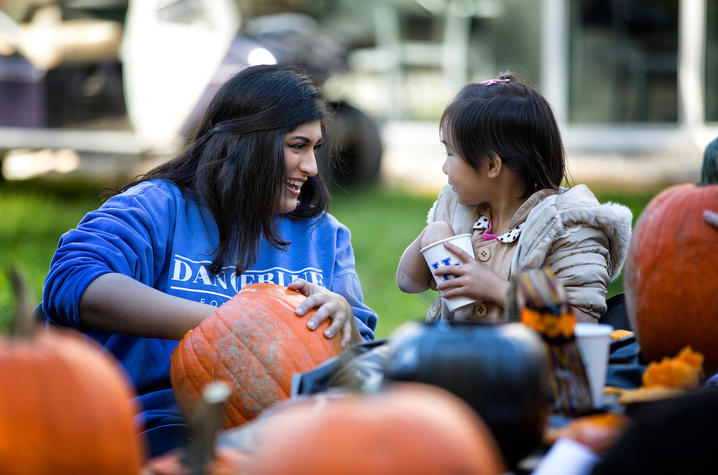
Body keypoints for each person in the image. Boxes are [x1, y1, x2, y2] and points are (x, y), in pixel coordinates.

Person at [41, 64, 378, 457]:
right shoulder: (158, 207)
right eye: (297, 146)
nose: (311, 167)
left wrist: (345, 322)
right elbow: (72, 281)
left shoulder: (324, 235)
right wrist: (226, 328)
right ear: (247, 142)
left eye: (314, 149)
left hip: (299, 436)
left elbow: (363, 361)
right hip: (163, 428)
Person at [396, 73, 632, 323]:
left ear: (491, 166)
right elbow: (407, 282)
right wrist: (430, 236)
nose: (445, 168)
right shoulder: (460, 214)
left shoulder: (567, 226)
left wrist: (495, 288)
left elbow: (581, 321)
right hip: (455, 358)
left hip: (532, 361)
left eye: (450, 154)